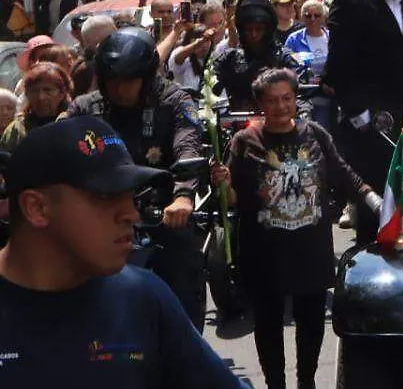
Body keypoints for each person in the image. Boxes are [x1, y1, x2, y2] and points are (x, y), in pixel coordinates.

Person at [0, 117, 246, 388]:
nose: (131, 214)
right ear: (37, 208)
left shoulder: (142, 297)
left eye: (131, 196)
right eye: (105, 196)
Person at [211, 69, 380, 389]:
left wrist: (377, 202)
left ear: (295, 99)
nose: (280, 106)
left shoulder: (315, 133)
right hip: (264, 252)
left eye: (287, 98)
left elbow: (344, 173)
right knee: (268, 323)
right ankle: (275, 383)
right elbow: (233, 200)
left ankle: (307, 382)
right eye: (272, 100)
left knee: (312, 322)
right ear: (261, 103)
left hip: (310, 249)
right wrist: (223, 183)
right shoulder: (244, 140)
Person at [67, 27, 208, 329]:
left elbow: (188, 144)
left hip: (162, 214)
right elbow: (61, 153)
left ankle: (186, 352)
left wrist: (183, 196)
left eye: (128, 81)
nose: (119, 89)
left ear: (146, 78)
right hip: (99, 217)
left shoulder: (175, 101)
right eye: (112, 81)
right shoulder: (84, 107)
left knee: (182, 277)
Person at [327, 0, 403, 245]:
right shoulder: (352, 2)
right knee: (374, 211)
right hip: (368, 127)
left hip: (402, 123)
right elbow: (338, 69)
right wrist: (361, 116)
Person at [215, 0, 307, 111]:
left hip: (279, 119)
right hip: (237, 121)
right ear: (242, 31)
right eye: (248, 30)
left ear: (268, 30)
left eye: (258, 29)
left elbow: (302, 87)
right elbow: (210, 84)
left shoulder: (285, 56)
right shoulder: (229, 57)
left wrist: (302, 111)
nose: (253, 34)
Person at [0, 62, 72, 151]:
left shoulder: (74, 124)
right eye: (34, 91)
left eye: (47, 90)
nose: (41, 97)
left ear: (62, 93)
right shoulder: (17, 130)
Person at [284, 0, 330, 81]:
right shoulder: (293, 39)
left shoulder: (332, 37)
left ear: (323, 17)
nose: (313, 19)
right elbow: (287, 66)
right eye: (308, 16)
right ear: (302, 18)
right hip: (305, 88)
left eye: (317, 15)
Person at [168, 26, 218, 93]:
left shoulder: (214, 56)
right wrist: (201, 41)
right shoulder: (183, 54)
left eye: (207, 41)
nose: (204, 46)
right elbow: (177, 59)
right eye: (196, 40)